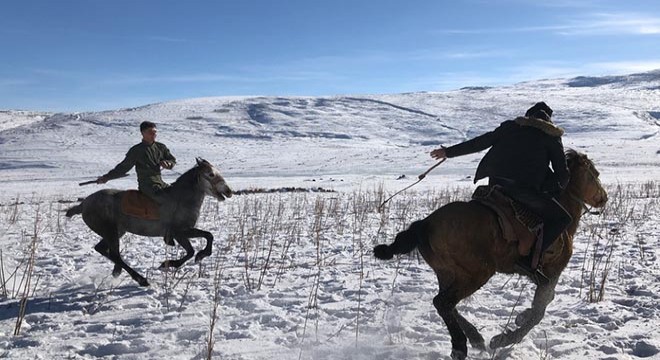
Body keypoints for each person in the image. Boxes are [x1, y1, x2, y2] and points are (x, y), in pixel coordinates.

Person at [430, 102, 572, 284]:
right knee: (562, 219)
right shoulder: (551, 135)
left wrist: (448, 152)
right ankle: (528, 262)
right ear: (549, 120)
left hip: (495, 185)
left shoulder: (510, 126)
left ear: (527, 116)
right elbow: (562, 174)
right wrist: (550, 189)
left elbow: (480, 142)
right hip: (523, 191)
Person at [97, 121, 176, 202]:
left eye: (155, 132)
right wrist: (107, 177)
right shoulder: (136, 150)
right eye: (150, 132)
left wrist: (168, 164)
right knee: (168, 202)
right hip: (147, 187)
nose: (153, 134)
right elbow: (123, 167)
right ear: (142, 133)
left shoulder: (161, 147)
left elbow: (172, 160)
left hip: (161, 183)